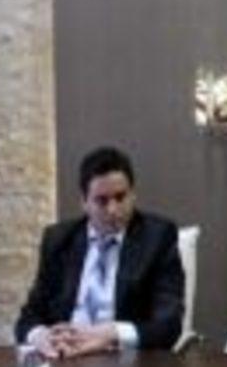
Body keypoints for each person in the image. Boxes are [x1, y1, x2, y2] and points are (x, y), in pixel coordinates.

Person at [15, 146, 184, 359]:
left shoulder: (157, 238)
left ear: (133, 195)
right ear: (84, 202)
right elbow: (28, 318)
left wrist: (110, 334)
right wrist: (41, 336)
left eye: (120, 197)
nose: (113, 210)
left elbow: (169, 325)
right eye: (101, 201)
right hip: (65, 356)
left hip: (122, 356)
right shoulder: (59, 240)